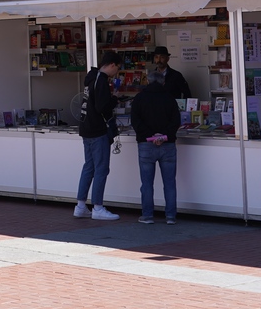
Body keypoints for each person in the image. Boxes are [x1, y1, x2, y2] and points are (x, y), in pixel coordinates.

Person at [75, 51, 122, 220]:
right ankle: (98, 207)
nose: (116, 72)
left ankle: (80, 205)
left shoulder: (91, 78)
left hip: (86, 128)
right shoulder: (101, 81)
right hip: (98, 130)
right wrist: (114, 99)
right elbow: (103, 107)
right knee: (101, 168)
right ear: (111, 65)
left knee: (89, 166)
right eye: (116, 68)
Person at [130, 68, 182, 224]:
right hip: (168, 145)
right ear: (163, 82)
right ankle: (171, 216)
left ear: (147, 81)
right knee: (170, 183)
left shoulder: (139, 99)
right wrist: (163, 136)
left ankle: (147, 215)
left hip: (146, 145)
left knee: (146, 183)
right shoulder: (169, 98)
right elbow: (175, 122)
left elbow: (136, 122)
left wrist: (151, 136)